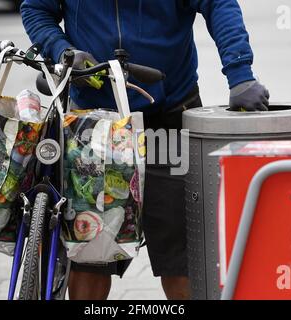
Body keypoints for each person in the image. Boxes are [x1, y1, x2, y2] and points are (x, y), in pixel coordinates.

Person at [21, 0, 270, 300]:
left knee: (182, 257)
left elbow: (219, 5)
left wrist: (240, 73)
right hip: (96, 123)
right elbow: (36, 8)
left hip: (168, 118)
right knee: (89, 255)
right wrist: (60, 49)